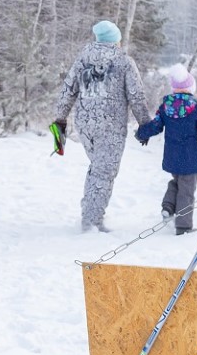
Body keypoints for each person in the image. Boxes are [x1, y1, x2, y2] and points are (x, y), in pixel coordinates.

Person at [53, 20, 150, 232]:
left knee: (98, 168)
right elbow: (136, 95)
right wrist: (145, 124)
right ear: (115, 39)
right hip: (110, 126)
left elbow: (68, 89)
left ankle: (89, 210)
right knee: (104, 173)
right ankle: (91, 222)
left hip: (85, 125)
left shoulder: (83, 59)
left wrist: (60, 118)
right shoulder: (124, 61)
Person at [134, 64, 197, 235]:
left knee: (176, 182)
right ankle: (183, 227)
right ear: (191, 88)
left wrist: (141, 133)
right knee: (187, 191)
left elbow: (155, 126)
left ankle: (168, 207)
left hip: (172, 157)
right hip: (190, 159)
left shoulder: (166, 107)